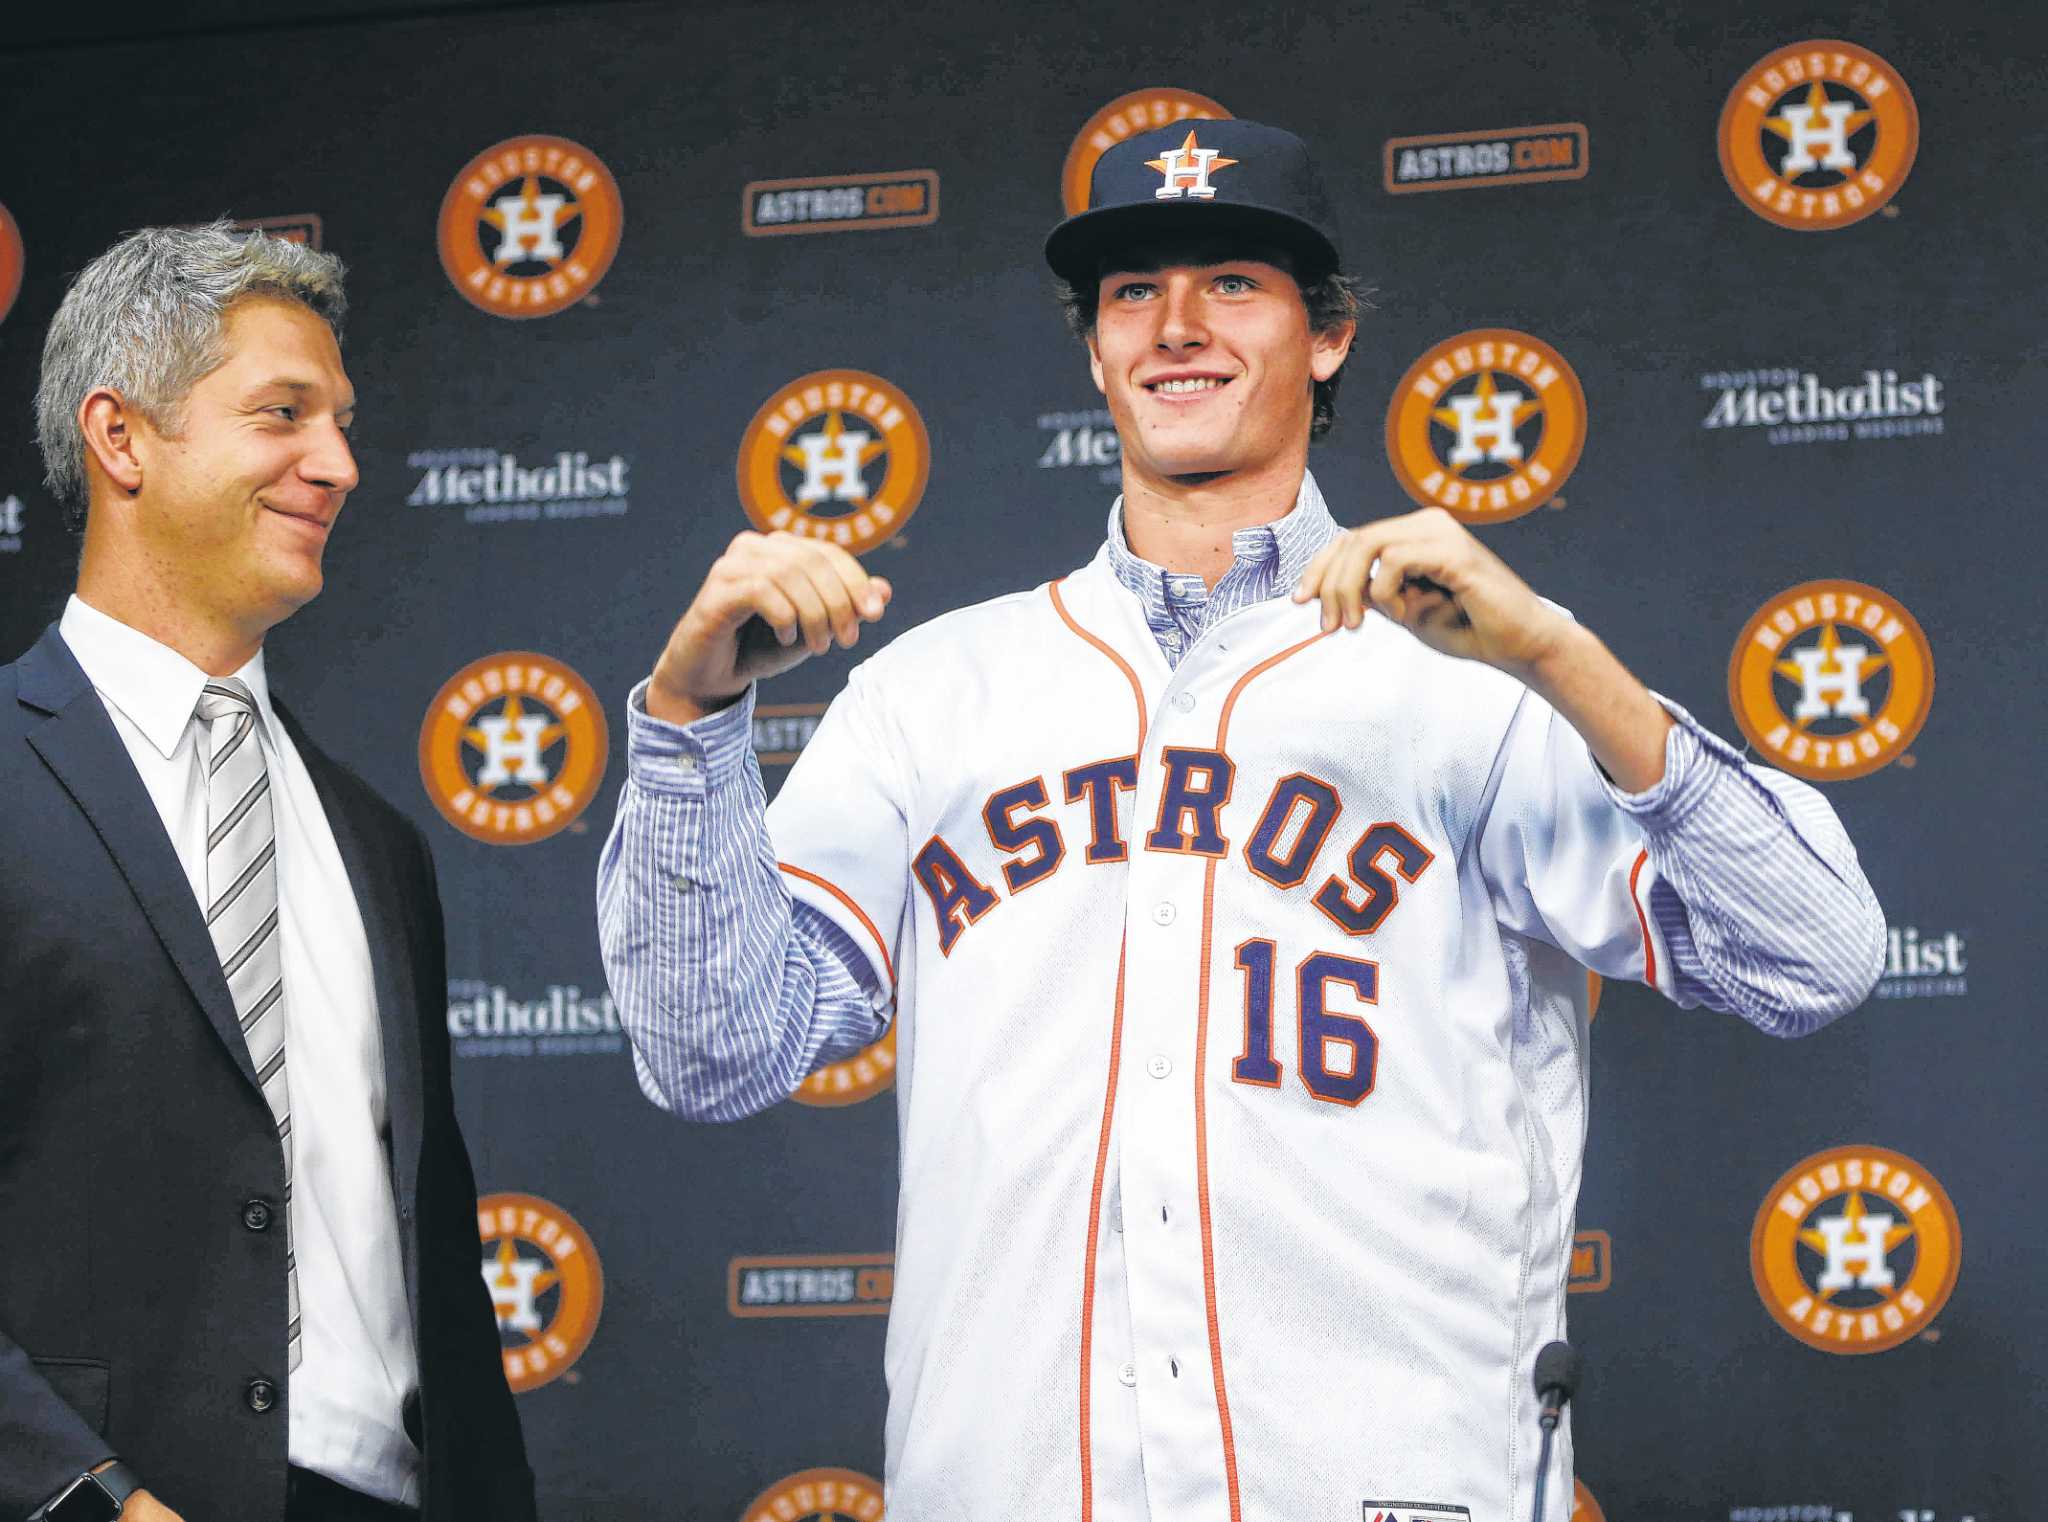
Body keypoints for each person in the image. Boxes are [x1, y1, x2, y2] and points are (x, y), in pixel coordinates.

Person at [597, 121, 1883, 1521]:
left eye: (1234, 282)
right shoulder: (935, 692)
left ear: (1328, 336)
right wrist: (688, 719)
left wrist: (1558, 660)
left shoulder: (1478, 673)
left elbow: (1814, 954)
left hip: (1390, 1488)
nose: (1178, 327)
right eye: (1133, 291)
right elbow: (712, 1051)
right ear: (1094, 350)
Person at [1, 225, 535, 1522]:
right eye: (283, 413)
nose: (340, 465)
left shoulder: (379, 845)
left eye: (344, 421)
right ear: (121, 439)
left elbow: (437, 1289)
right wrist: (89, 1496)